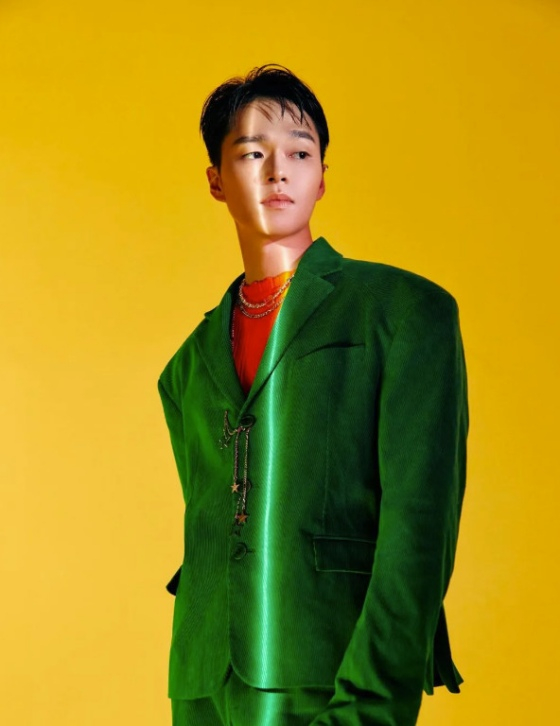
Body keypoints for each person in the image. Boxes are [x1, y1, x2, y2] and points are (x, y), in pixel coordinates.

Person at [158, 63, 469, 726]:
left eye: (300, 154)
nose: (279, 172)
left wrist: (374, 703)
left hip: (329, 675)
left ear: (322, 177)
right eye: (252, 154)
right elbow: (217, 519)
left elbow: (419, 526)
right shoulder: (187, 365)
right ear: (216, 180)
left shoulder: (404, 313)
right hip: (202, 686)